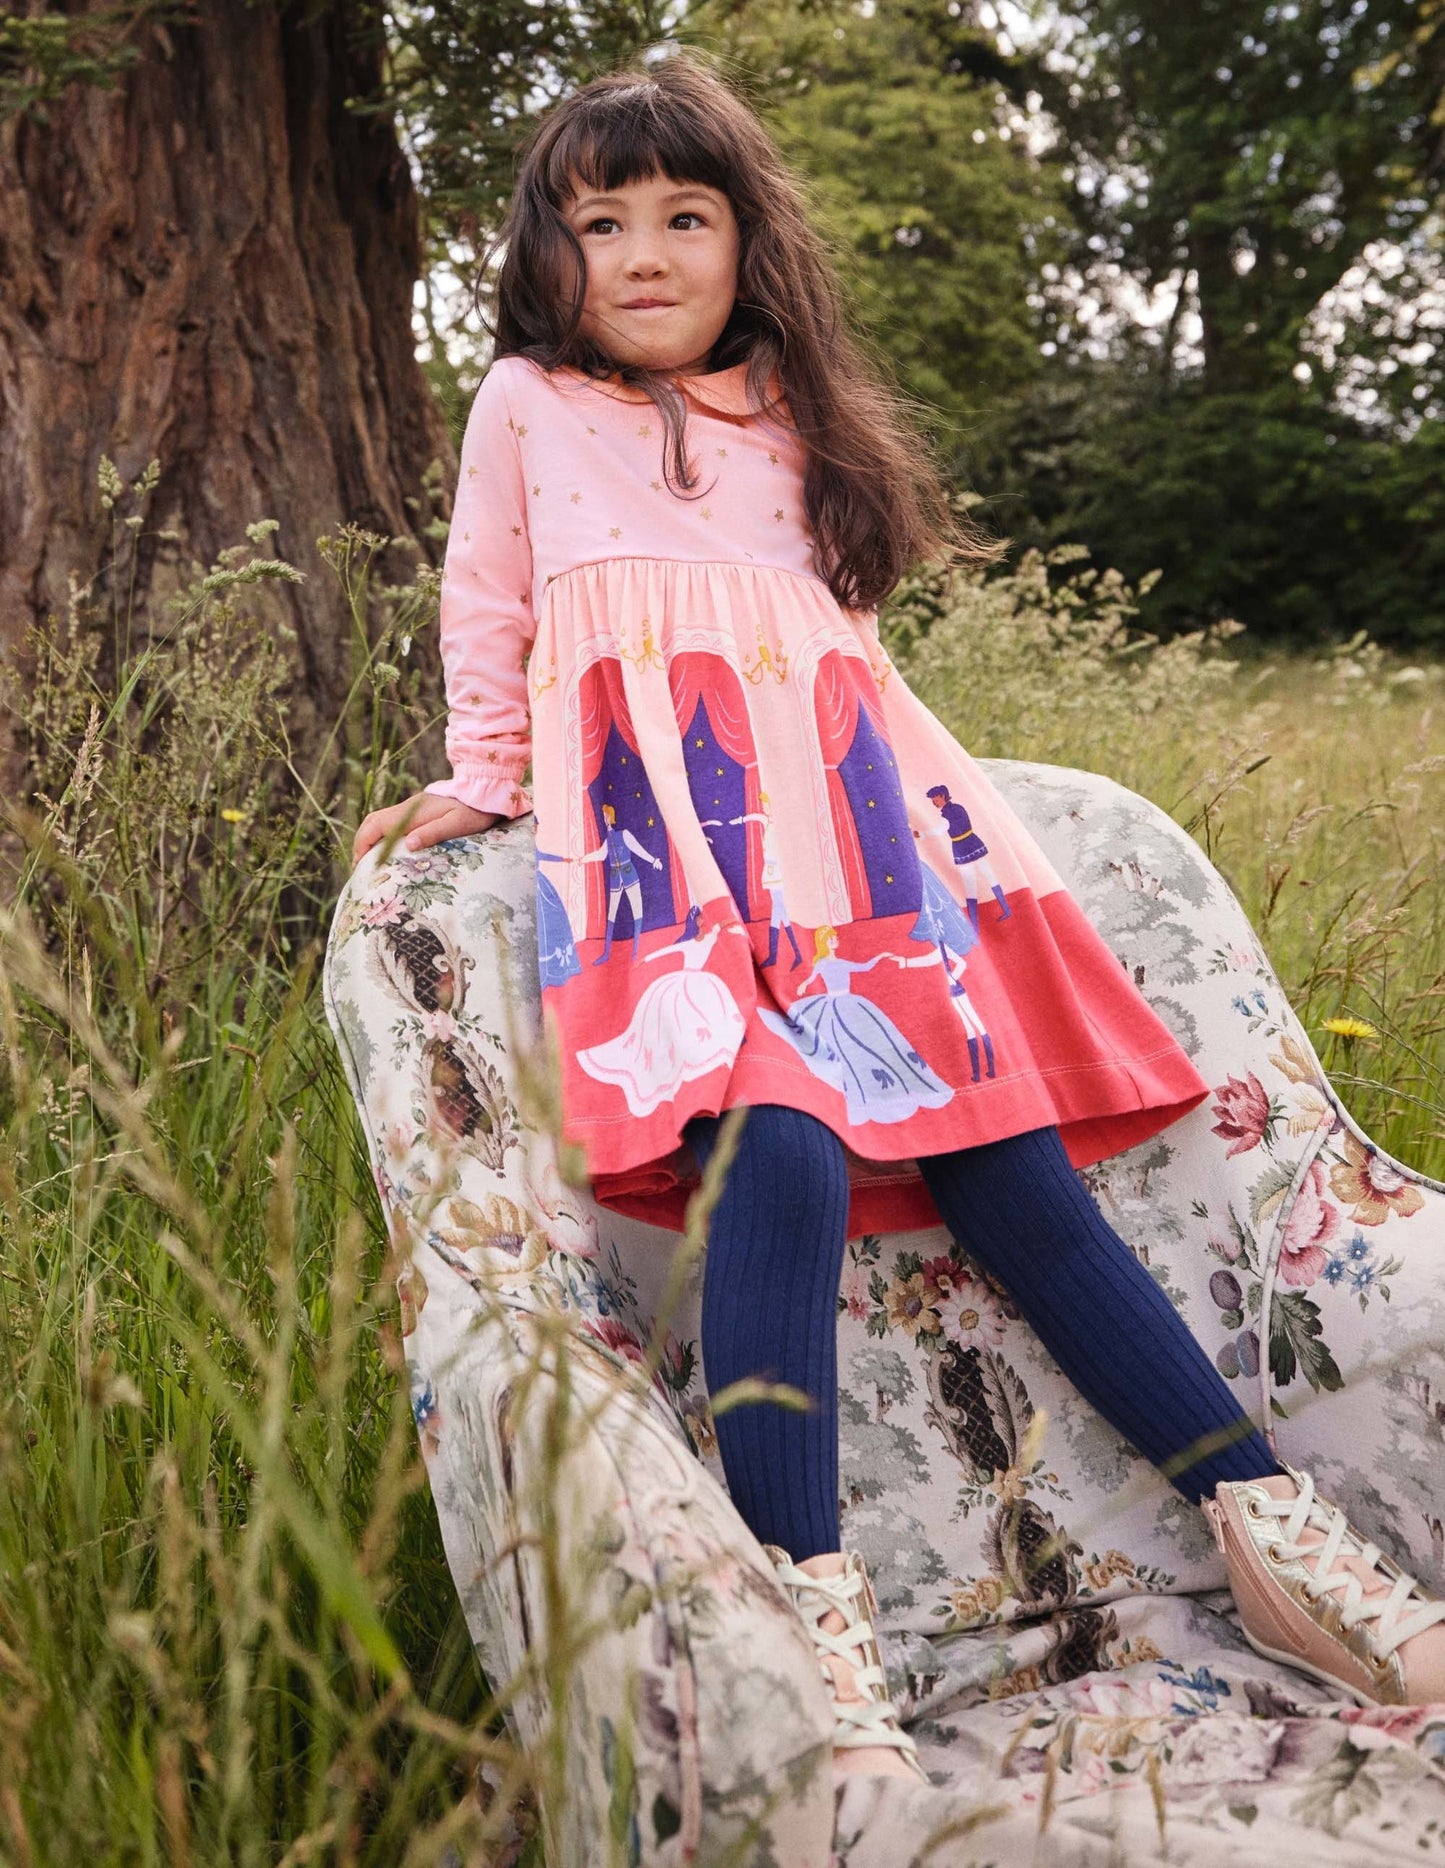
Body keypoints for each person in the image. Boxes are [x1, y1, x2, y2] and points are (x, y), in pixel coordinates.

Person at [353, 52, 1445, 1780]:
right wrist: (481, 774)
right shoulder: (524, 405)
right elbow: (489, 606)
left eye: (682, 218)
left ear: (743, 244)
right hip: (663, 862)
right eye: (599, 222)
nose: (641, 253)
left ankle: (1275, 1535)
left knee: (1004, 1163)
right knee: (774, 1145)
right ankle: (810, 1614)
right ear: (548, 255)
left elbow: (831, 653)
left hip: (856, 854)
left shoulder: (791, 401)